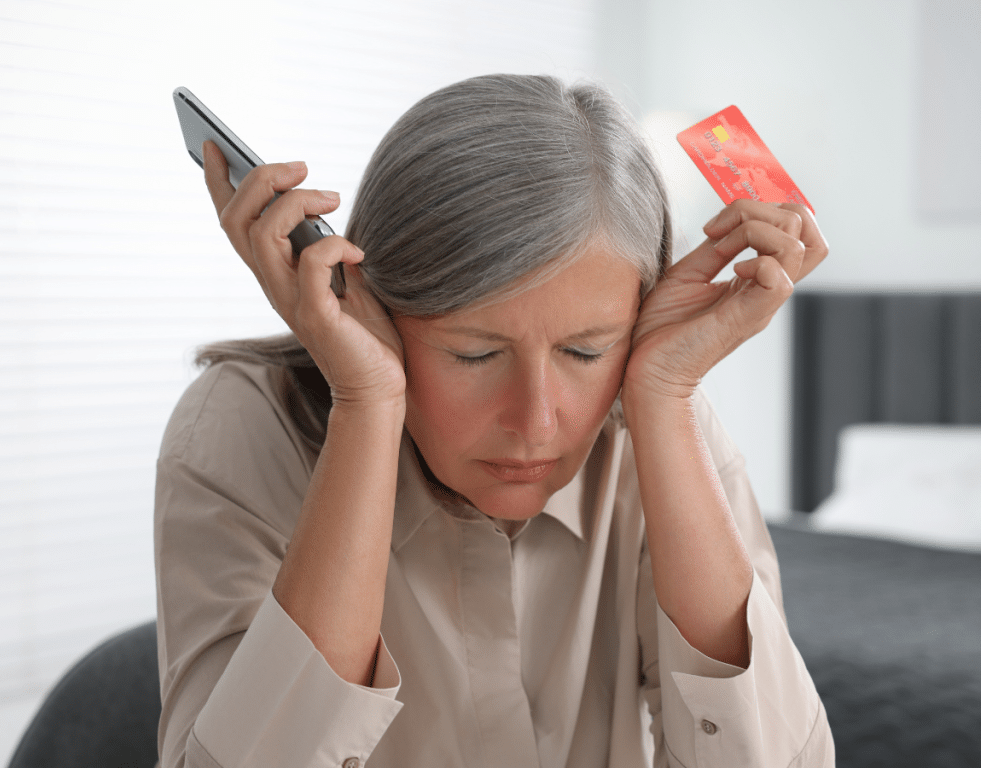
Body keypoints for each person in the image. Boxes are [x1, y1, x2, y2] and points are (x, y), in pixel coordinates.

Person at [154, 74, 834, 768]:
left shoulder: (662, 418)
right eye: (475, 354)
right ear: (371, 308)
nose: (536, 421)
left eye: (584, 351)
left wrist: (663, 397)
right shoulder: (241, 427)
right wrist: (367, 403)